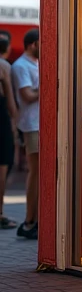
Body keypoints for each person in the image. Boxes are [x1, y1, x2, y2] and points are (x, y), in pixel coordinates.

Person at [11, 29, 39, 240]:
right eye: (42, 43)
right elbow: (28, 96)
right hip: (31, 125)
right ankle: (30, 220)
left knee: (41, 173)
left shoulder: (35, 64)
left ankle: (35, 220)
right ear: (32, 45)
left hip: (40, 124)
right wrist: (49, 84)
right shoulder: (21, 66)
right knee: (36, 172)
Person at [0, 32, 18, 229]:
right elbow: (11, 100)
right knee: (3, 165)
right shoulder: (4, 66)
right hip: (1, 117)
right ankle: (0, 212)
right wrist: (15, 122)